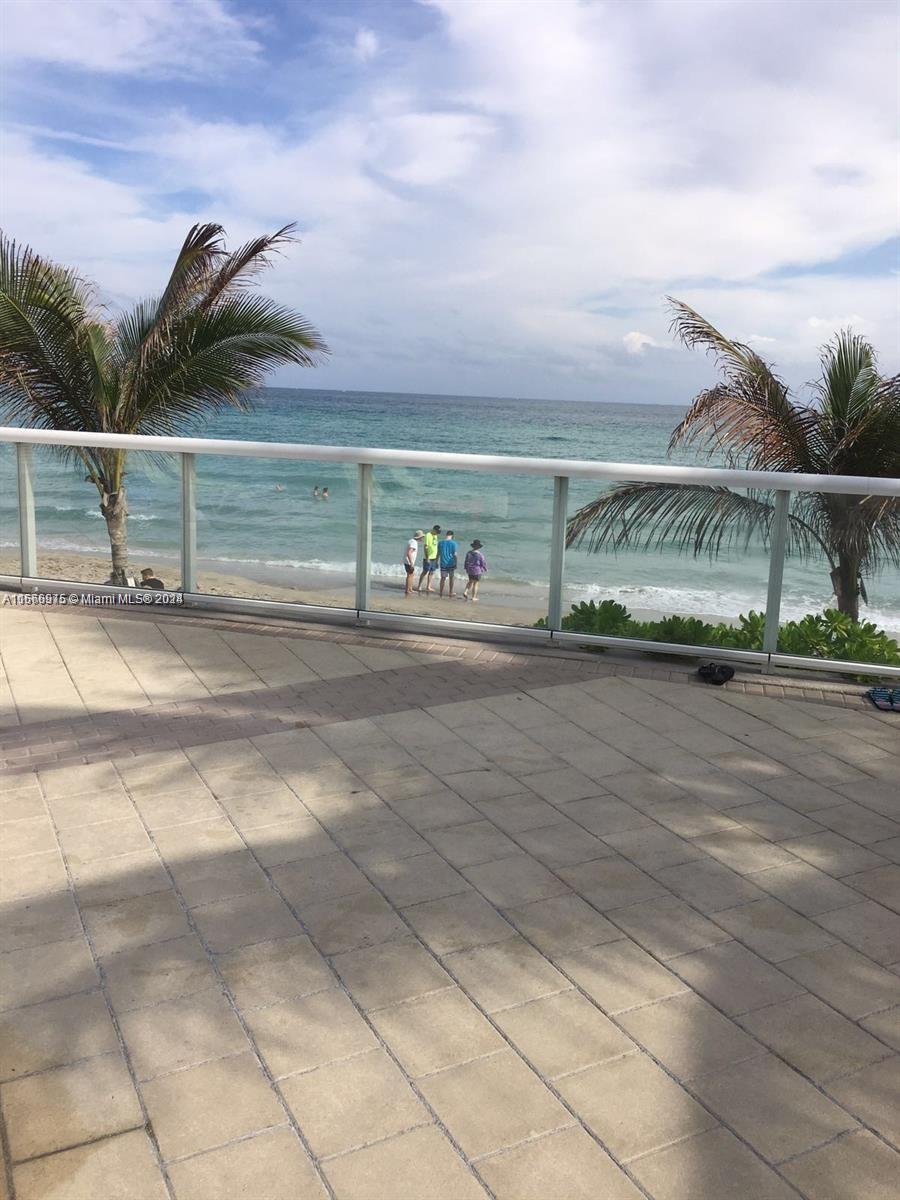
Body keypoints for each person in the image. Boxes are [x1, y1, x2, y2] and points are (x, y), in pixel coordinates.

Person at [416, 524, 441, 594]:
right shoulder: (428, 535)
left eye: (438, 532)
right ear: (434, 530)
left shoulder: (435, 536)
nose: (437, 533)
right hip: (428, 557)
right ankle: (419, 586)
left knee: (432, 572)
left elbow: (435, 546)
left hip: (434, 557)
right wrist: (427, 558)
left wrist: (437, 558)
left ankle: (428, 586)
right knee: (425, 571)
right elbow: (425, 547)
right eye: (437, 532)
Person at [438, 529, 458, 598]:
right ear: (452, 536)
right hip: (451, 563)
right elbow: (455, 554)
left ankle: (441, 592)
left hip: (443, 563)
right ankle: (450, 592)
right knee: (451, 578)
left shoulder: (440, 543)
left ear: (446, 535)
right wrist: (456, 563)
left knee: (442, 578)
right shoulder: (454, 543)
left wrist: (436, 561)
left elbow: (438, 553)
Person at [404, 530, 424, 596]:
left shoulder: (411, 541)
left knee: (411, 574)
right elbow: (409, 553)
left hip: (407, 561)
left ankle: (410, 589)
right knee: (410, 575)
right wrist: (411, 563)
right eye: (422, 537)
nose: (422, 538)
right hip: (409, 561)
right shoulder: (414, 543)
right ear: (419, 537)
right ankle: (407, 590)